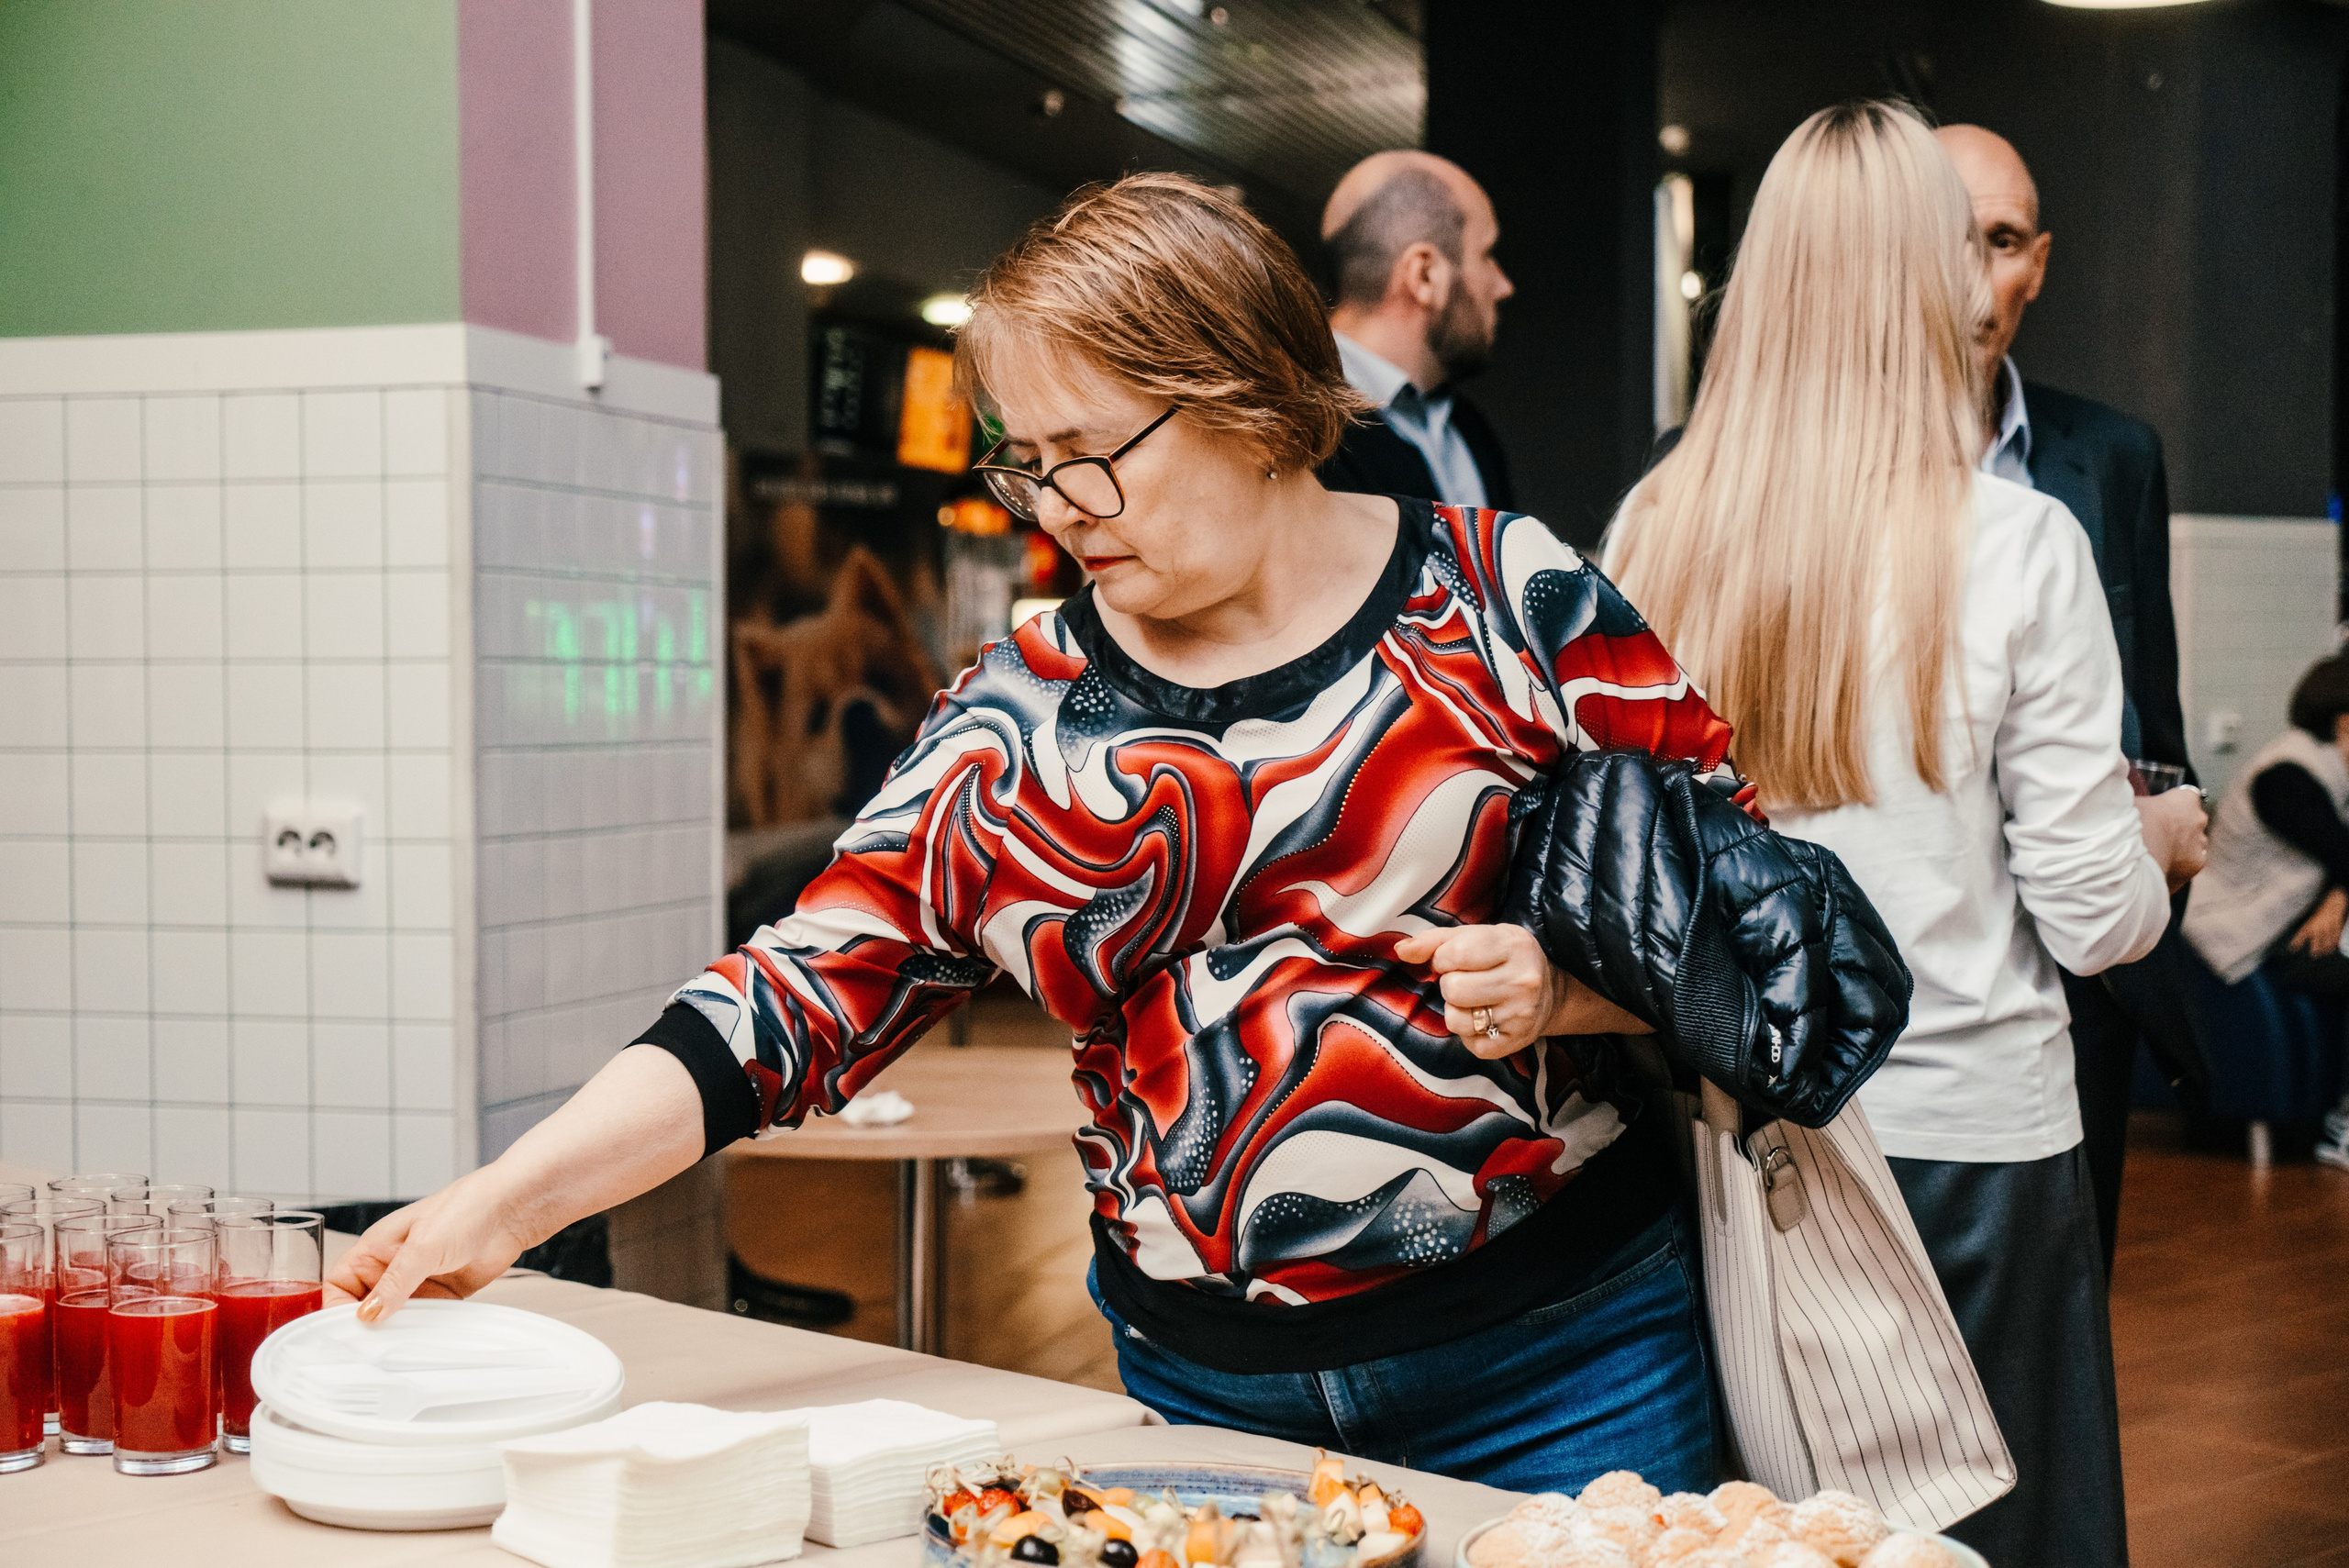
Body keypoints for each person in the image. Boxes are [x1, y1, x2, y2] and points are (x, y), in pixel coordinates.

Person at [329, 172, 1750, 1493]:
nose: (1057, 508)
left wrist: (1572, 987)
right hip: (1207, 1399)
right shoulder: (1022, 715)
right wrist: (506, 1203)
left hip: (1566, 1364)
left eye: (1091, 454)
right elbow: (791, 993)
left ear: (1247, 397)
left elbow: (1743, 918)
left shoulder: (1508, 604)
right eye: (1027, 462)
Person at [1604, 103, 2208, 1568]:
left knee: (1782, 1540)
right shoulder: (2018, 542)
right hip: (1971, 1147)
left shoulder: (1655, 527)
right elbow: (2093, 921)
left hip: (1740, 1142)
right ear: (1926, 277)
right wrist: (2159, 845)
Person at [1936, 123, 2202, 1273]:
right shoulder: (1757, 467)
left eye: (2000, 241)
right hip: (1902, 991)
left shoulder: (2112, 456)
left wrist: (2168, 836)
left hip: (2080, 971)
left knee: (2064, 1306)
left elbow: (2151, 706)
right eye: (1946, 234)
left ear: (2036, 264)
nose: (1972, 274)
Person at [2182, 654, 2349, 1169]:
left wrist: (2339, 895)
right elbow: (2343, 851)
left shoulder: (2329, 769)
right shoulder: (2286, 775)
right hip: (2245, 937)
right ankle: (2343, 1126)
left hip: (2290, 929)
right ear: (2345, 722)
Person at [1315, 151, 1517, 509]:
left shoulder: (1469, 429)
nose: (1503, 286)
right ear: (1425, 274)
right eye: (1486, 255)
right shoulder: (1292, 432)